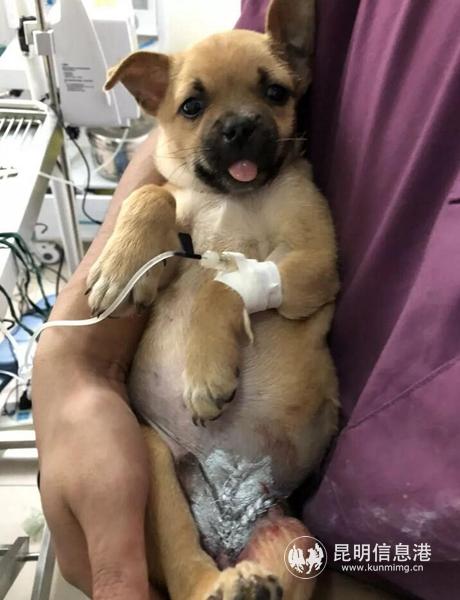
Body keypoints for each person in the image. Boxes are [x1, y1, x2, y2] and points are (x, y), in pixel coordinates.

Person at [33, 1, 460, 599]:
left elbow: (316, 274)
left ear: (300, 73)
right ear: (152, 99)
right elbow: (146, 258)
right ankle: (200, 584)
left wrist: (232, 295)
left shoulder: (292, 195)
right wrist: (73, 350)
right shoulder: (171, 202)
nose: (237, 122)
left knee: (298, 555)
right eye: (195, 107)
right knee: (152, 463)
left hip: (326, 517)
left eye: (272, 94)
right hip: (165, 450)